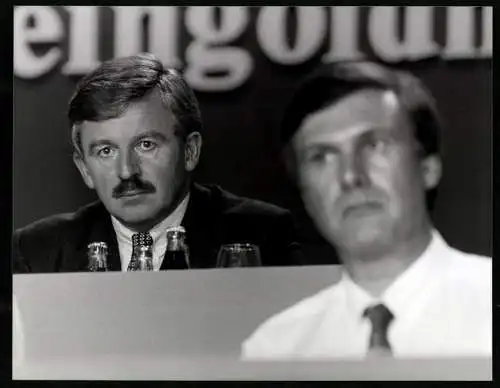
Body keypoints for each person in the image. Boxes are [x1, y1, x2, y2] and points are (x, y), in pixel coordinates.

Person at [242, 61, 491, 359]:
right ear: (306, 194)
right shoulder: (275, 351)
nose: (350, 176)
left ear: (428, 168)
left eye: (374, 145)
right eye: (322, 156)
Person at [13, 53, 303, 273]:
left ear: (189, 151)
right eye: (105, 151)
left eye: (146, 144)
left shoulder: (264, 234)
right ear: (85, 169)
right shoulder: (38, 251)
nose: (127, 171)